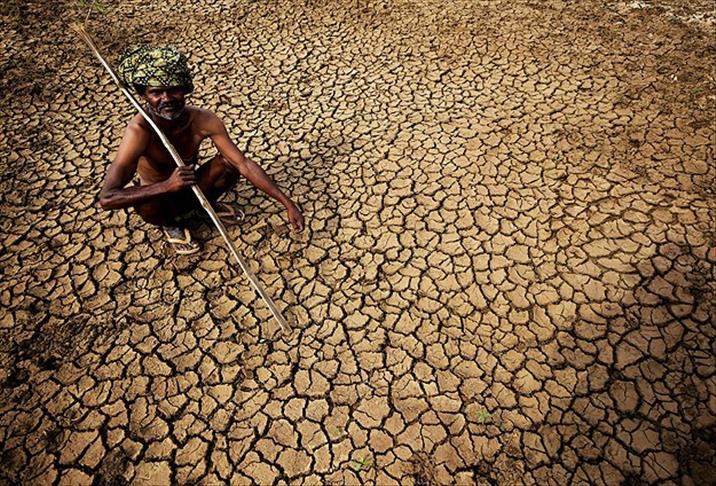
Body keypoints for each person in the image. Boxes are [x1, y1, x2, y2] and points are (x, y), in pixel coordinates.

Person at [99, 45, 304, 254]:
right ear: (143, 95)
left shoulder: (203, 120)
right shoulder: (139, 131)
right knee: (146, 205)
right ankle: (171, 224)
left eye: (174, 89)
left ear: (185, 89)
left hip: (192, 186)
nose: (166, 98)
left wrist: (287, 203)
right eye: (156, 92)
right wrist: (166, 186)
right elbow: (107, 198)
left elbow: (243, 164)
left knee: (228, 164)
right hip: (162, 200)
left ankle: (203, 206)